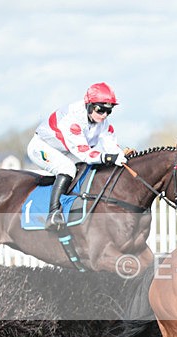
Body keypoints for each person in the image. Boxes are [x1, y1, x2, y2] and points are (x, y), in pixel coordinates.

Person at [27, 82, 132, 230]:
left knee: (92, 167)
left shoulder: (103, 122)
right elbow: (85, 153)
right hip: (42, 147)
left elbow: (111, 146)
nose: (104, 115)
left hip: (66, 150)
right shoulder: (73, 119)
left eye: (109, 111)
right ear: (89, 105)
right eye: (100, 110)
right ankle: (53, 213)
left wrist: (122, 156)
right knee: (67, 168)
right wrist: (108, 157)